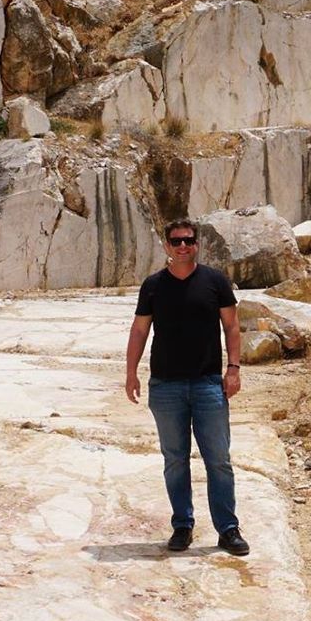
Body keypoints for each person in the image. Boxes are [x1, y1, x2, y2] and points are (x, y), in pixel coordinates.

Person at [125, 218, 249, 556]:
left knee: (218, 460)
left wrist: (233, 369)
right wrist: (131, 372)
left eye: (189, 241)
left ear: (197, 244)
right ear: (166, 245)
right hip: (165, 386)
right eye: (176, 241)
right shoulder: (153, 286)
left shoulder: (215, 281)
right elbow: (139, 331)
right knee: (175, 460)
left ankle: (228, 529)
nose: (183, 247)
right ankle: (183, 525)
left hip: (209, 384)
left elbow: (232, 326)